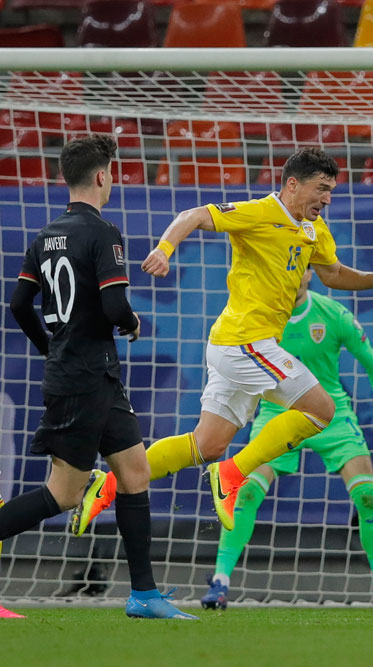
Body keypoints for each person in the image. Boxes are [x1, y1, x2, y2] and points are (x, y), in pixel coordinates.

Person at [72, 147, 373, 534]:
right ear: (292, 184)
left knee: (206, 445)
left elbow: (334, 274)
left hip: (238, 346)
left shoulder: (313, 229)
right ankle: (232, 475)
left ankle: (108, 484)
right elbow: (194, 214)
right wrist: (163, 249)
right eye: (321, 188)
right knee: (322, 409)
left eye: (331, 190)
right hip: (245, 342)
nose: (327, 198)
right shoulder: (260, 212)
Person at [5, 135, 196, 619]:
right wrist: (131, 324)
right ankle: (144, 594)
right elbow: (114, 306)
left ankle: (144, 596)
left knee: (135, 474)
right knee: (64, 495)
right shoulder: (104, 232)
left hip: (92, 374)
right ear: (103, 176)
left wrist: (51, 347)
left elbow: (18, 305)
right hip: (84, 378)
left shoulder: (45, 236)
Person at [199, 269, 373, 613]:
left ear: (309, 274)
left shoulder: (333, 314)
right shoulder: (261, 317)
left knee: (368, 496)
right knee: (248, 490)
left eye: (298, 269)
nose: (292, 276)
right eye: (285, 269)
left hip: (332, 414)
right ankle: (220, 583)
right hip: (277, 412)